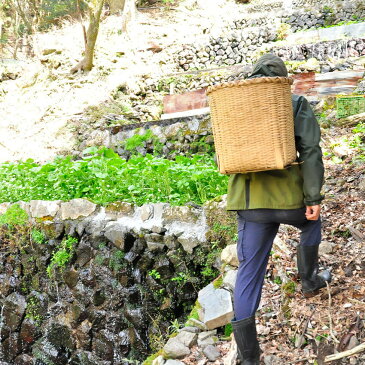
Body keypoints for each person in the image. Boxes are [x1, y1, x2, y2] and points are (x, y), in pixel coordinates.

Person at [226, 54, 331, 365]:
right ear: (283, 80)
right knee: (312, 224)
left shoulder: (235, 108)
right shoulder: (293, 102)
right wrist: (313, 198)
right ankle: (310, 281)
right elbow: (310, 150)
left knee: (248, 274)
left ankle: (249, 359)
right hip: (289, 202)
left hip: (249, 204)